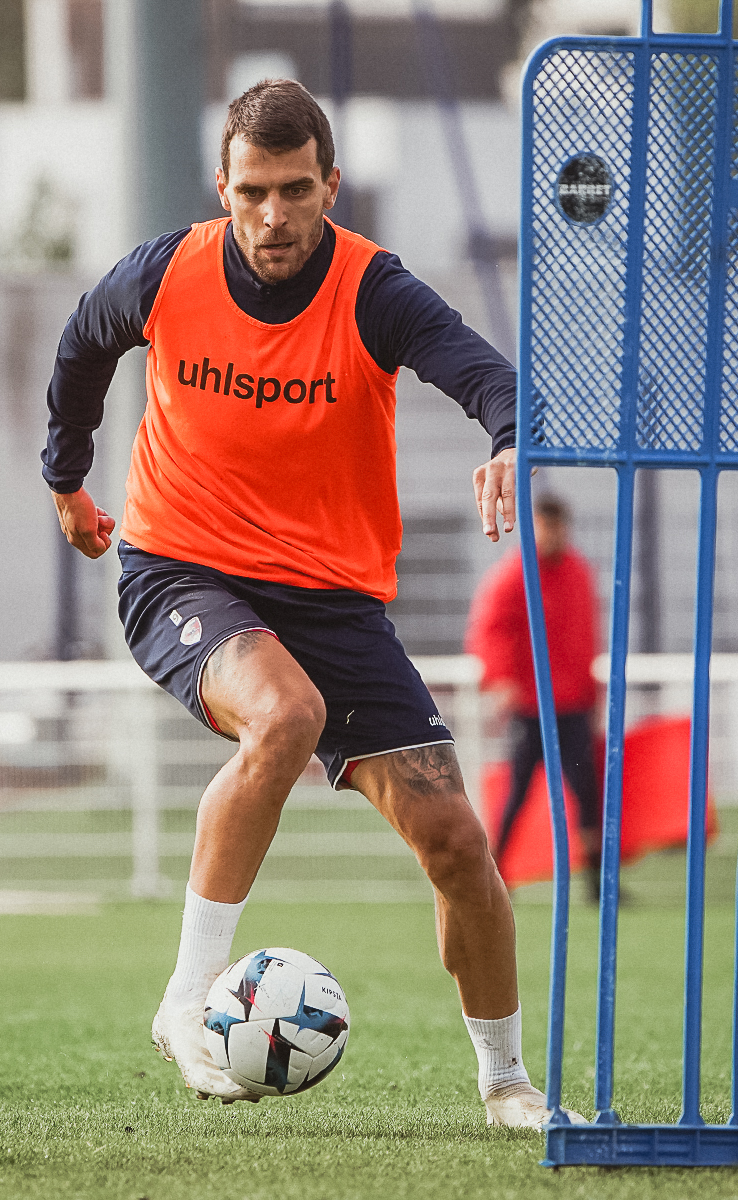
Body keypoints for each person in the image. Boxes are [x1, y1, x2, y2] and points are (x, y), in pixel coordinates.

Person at [41, 79, 583, 1128]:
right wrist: (67, 479)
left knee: (458, 845)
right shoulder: (164, 272)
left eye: (296, 191)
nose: (273, 217)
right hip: (181, 570)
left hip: (333, 605)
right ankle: (188, 999)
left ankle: (506, 1082)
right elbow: (80, 347)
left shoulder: (373, 289)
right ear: (223, 188)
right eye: (252, 192)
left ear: (330, 185)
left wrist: (510, 439)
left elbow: (486, 375)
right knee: (283, 715)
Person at [464, 494, 603, 898]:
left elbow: (585, 640)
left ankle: (596, 884)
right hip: (531, 707)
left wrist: (592, 695)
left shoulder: (578, 573)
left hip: (574, 704)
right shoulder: (513, 576)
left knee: (588, 794)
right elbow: (489, 631)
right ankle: (494, 877)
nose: (554, 535)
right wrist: (503, 680)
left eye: (558, 527)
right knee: (516, 794)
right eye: (546, 527)